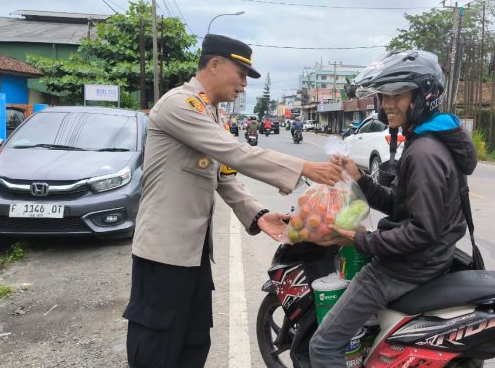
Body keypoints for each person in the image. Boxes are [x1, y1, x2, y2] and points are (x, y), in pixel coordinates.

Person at [122, 34, 342, 368]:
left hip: (194, 254)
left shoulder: (213, 115)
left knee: (194, 340)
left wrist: (258, 214)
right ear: (214, 64)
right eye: (240, 75)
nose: (243, 85)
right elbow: (235, 153)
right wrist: (303, 166)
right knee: (157, 345)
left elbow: (224, 176)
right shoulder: (180, 105)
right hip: (163, 254)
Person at [308, 50, 478, 367]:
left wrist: (360, 240)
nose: (387, 104)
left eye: (397, 95)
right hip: (428, 260)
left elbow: (421, 231)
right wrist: (359, 177)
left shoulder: (424, 152)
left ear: (423, 95)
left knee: (324, 346)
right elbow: (398, 206)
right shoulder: (428, 138)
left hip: (402, 268)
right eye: (384, 96)